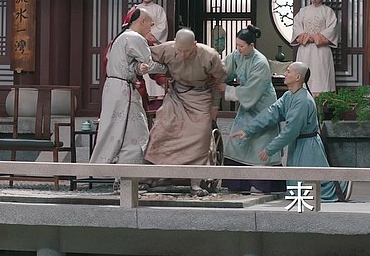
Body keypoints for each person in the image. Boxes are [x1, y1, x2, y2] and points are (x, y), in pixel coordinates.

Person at [229, 61, 352, 202]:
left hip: (308, 146)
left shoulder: (303, 100)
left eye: (288, 71)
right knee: (297, 183)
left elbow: (291, 130)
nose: (285, 74)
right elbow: (271, 113)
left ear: (298, 77)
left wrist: (270, 149)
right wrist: (248, 130)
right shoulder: (289, 96)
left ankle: (342, 186)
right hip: (297, 143)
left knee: (312, 178)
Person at [144, 28, 227, 196]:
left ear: (195, 45)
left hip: (201, 96)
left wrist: (214, 107)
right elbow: (145, 54)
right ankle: (159, 176)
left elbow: (219, 81)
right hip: (176, 95)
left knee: (201, 135)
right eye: (179, 50)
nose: (182, 55)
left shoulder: (209, 55)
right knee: (162, 129)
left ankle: (196, 181)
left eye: (186, 51)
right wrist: (155, 74)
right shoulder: (167, 49)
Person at [91, 7, 167, 165]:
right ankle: (128, 171)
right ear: (142, 21)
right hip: (124, 90)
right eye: (150, 25)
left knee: (114, 130)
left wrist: (139, 68)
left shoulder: (121, 37)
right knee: (135, 131)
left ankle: (106, 168)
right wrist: (169, 68)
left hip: (114, 88)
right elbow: (150, 63)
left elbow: (131, 66)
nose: (150, 29)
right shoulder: (135, 37)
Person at [222, 25, 285, 194]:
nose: (238, 49)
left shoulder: (260, 62)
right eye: (237, 45)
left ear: (252, 45)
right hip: (247, 105)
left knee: (261, 143)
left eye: (242, 46)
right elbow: (224, 69)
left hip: (262, 104)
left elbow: (252, 91)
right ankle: (237, 184)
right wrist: (214, 73)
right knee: (237, 142)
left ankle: (265, 185)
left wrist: (227, 89)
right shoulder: (237, 55)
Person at [292, 0, 338, 97]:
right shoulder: (303, 11)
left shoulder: (327, 11)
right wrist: (306, 37)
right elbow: (297, 27)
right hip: (305, 49)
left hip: (321, 50)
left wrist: (316, 38)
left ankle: (322, 102)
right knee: (305, 73)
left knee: (321, 74)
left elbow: (331, 29)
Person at [134, 0, 169, 100]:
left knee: (153, 66)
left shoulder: (159, 9)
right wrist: (142, 35)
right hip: (139, 43)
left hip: (153, 44)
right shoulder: (136, 9)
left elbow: (162, 27)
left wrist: (151, 35)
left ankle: (157, 94)